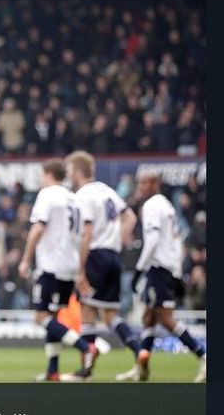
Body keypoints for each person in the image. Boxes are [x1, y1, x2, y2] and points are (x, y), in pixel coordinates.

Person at [65, 151, 145, 380]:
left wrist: (80, 269)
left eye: (70, 171)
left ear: (78, 171)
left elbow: (86, 232)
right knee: (111, 316)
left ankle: (86, 370)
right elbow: (130, 217)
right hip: (112, 257)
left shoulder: (83, 195)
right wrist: (116, 241)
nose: (69, 175)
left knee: (87, 312)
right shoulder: (107, 191)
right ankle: (140, 351)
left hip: (95, 256)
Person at [18, 158, 98, 382]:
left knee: (40, 317)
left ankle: (86, 347)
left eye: (42, 175)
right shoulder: (73, 198)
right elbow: (83, 236)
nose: (41, 180)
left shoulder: (48, 194)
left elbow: (38, 228)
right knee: (52, 317)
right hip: (70, 265)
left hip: (51, 265)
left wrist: (26, 259)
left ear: (50, 175)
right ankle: (53, 370)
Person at [129, 172, 206, 382]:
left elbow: (153, 241)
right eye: (140, 183)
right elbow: (175, 242)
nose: (141, 187)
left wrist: (138, 270)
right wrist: (178, 273)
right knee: (148, 317)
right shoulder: (167, 205)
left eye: (145, 183)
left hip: (158, 268)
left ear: (156, 184)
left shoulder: (152, 206)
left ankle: (203, 355)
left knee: (165, 318)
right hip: (167, 267)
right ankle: (141, 367)